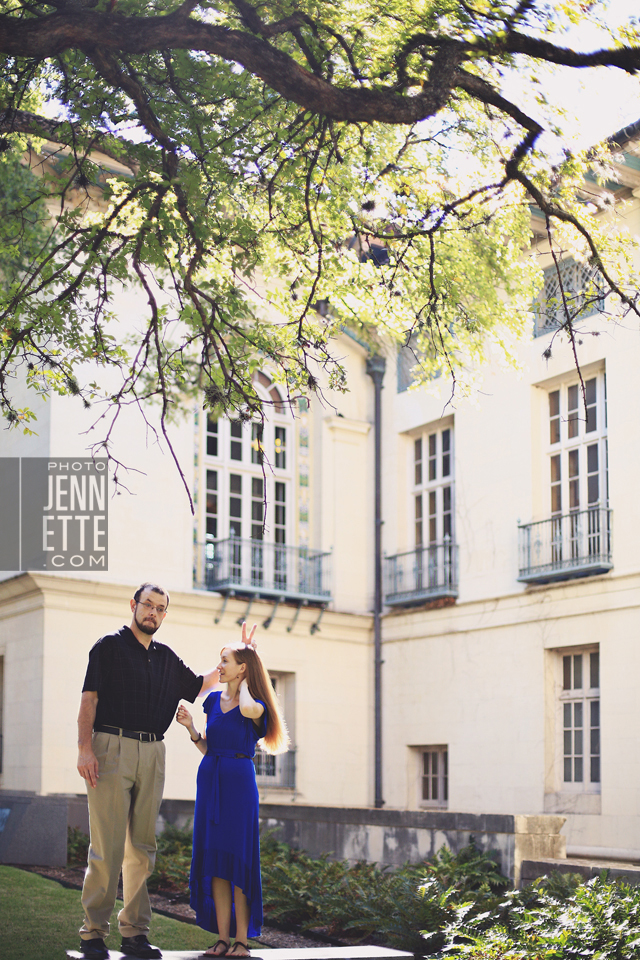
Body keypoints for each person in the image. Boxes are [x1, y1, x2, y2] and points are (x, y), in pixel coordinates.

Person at [76, 582, 224, 960]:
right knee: (106, 847)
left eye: (160, 608)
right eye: (148, 605)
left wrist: (235, 659)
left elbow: (200, 685)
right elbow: (89, 699)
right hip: (111, 748)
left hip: (154, 751)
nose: (153, 613)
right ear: (134, 605)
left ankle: (134, 934)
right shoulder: (107, 647)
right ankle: (93, 934)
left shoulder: (167, 658)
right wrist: (85, 749)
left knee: (142, 848)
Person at [176, 632, 289, 958]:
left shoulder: (254, 705)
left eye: (226, 661)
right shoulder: (211, 702)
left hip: (239, 788)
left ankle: (242, 941)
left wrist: (249, 662)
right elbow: (209, 747)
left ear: (241, 669)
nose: (219, 666)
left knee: (238, 863)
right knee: (216, 864)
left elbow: (248, 707)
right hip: (210, 782)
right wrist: (191, 728)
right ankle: (222, 939)